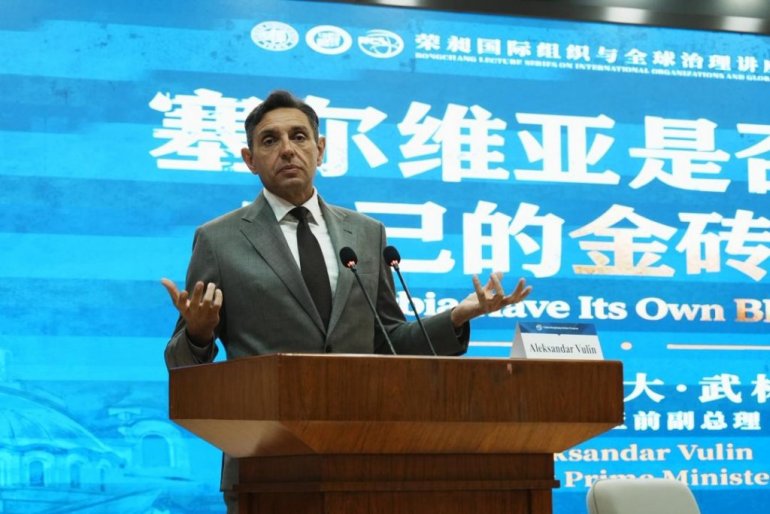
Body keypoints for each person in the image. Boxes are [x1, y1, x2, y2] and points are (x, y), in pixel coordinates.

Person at [161, 90, 532, 513]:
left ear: (320, 149)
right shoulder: (219, 240)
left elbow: (389, 340)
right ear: (249, 159)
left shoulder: (366, 233)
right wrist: (198, 332)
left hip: (367, 456)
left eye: (299, 136)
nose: (287, 149)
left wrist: (457, 317)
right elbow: (180, 365)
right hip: (267, 465)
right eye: (270, 140)